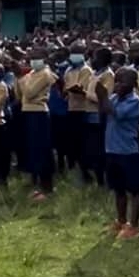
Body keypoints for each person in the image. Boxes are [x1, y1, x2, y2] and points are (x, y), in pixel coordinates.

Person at [100, 67, 139, 237]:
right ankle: (121, 221)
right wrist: (103, 98)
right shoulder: (113, 98)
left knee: (134, 190)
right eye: (116, 81)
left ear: (133, 84)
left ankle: (134, 225)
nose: (118, 85)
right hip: (112, 149)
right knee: (118, 189)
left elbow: (116, 114)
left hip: (129, 151)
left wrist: (102, 97)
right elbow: (104, 111)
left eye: (122, 82)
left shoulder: (135, 101)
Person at [19, 47, 57, 200]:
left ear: (45, 59)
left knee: (42, 149)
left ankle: (47, 187)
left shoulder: (45, 74)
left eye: (37, 57)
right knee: (34, 149)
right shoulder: (32, 73)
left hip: (39, 113)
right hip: (28, 111)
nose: (33, 60)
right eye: (32, 57)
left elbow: (29, 93)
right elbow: (21, 93)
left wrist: (21, 79)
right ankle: (38, 185)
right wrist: (23, 80)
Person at [83, 47, 114, 186]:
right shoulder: (95, 73)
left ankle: (104, 180)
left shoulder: (108, 75)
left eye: (95, 57)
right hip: (89, 114)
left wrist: (87, 94)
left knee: (100, 149)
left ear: (102, 59)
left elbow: (105, 98)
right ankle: (97, 178)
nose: (92, 60)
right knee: (92, 149)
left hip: (99, 116)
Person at [64, 44, 92, 180]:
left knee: (82, 142)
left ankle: (86, 171)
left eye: (77, 52)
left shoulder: (86, 70)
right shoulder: (69, 70)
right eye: (72, 52)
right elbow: (66, 87)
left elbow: (82, 88)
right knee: (72, 142)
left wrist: (73, 89)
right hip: (71, 108)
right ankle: (75, 169)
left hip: (83, 109)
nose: (74, 55)